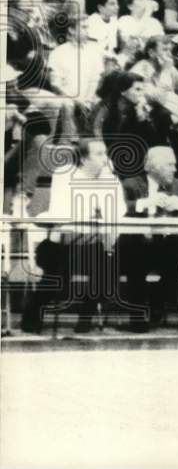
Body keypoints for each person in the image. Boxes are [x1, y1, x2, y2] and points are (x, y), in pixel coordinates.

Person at [20, 138, 125, 333]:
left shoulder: (109, 178)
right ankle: (32, 318)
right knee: (55, 273)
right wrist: (96, 210)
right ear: (84, 159)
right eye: (99, 154)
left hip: (92, 244)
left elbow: (118, 211)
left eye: (105, 153)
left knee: (107, 268)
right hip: (60, 243)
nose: (105, 159)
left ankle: (86, 318)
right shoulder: (65, 174)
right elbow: (65, 211)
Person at [118, 146, 178, 331]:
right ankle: (138, 316)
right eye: (170, 165)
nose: (175, 169)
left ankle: (156, 302)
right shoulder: (130, 184)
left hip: (166, 245)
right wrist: (145, 203)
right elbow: (119, 208)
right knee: (135, 255)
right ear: (154, 167)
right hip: (137, 244)